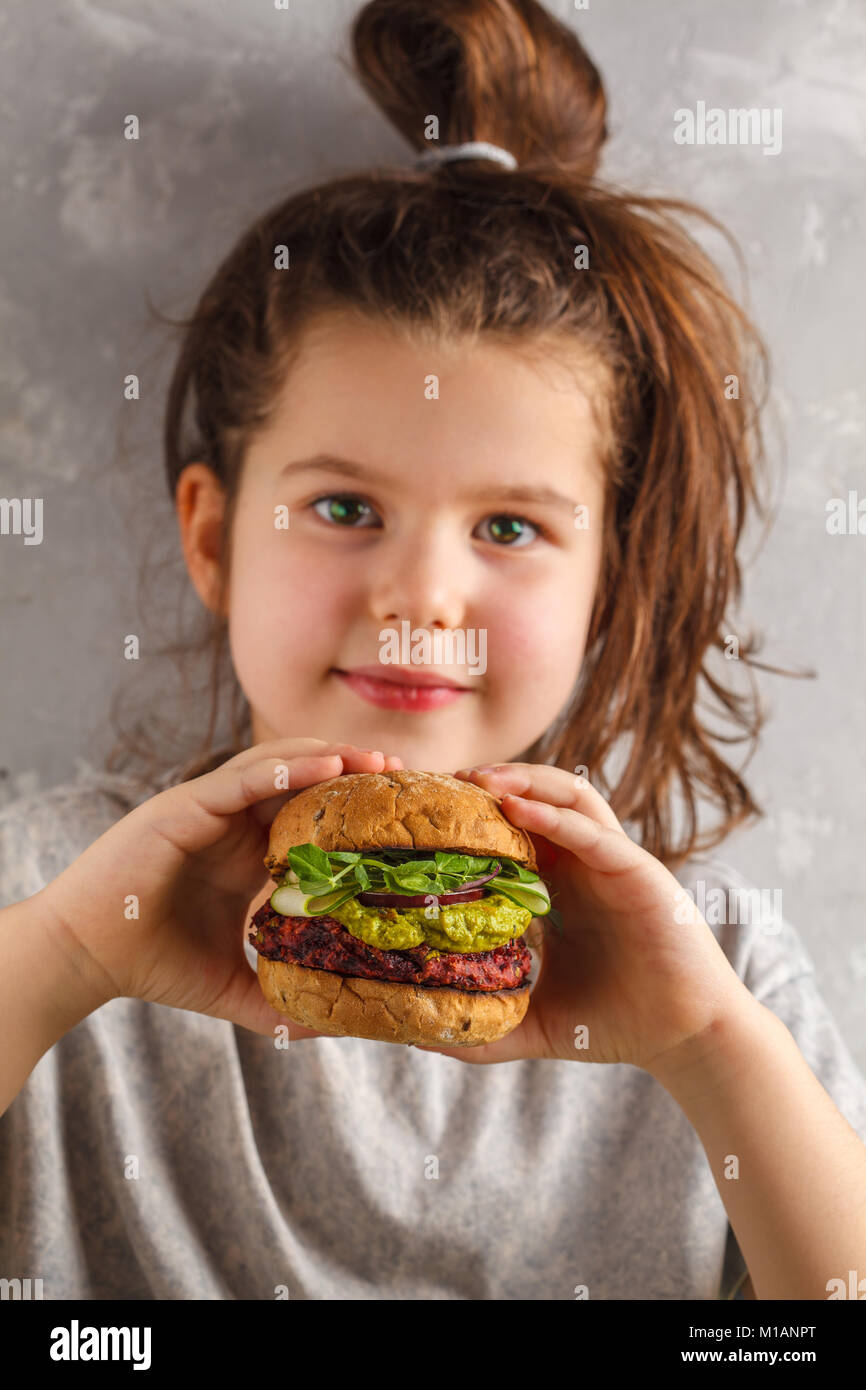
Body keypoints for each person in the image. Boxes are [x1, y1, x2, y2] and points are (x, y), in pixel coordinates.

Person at [2, 0, 865, 1302]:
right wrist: (61, 959)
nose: (419, 596)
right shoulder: (46, 886)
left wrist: (705, 1049)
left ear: (603, 584)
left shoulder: (720, 964)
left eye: (511, 525)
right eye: (344, 509)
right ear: (216, 538)